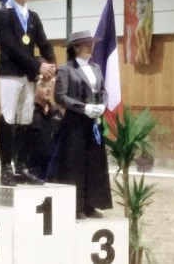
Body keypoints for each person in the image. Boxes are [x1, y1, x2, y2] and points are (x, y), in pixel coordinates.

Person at [0, 0, 57, 186]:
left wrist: (52, 64)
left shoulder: (33, 17)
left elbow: (44, 43)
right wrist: (38, 65)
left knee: (26, 120)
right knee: (8, 117)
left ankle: (21, 166)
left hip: (29, 76)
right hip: (10, 73)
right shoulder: (2, 15)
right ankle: (5, 168)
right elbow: (10, 47)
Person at [51, 30, 112, 219]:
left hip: (94, 121)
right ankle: (75, 205)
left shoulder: (96, 68)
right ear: (76, 47)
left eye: (91, 43)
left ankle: (91, 203)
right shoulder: (66, 69)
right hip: (75, 122)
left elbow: (103, 91)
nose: (90, 47)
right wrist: (83, 107)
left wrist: (103, 105)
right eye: (86, 44)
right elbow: (60, 96)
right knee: (74, 163)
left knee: (93, 161)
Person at [24, 77, 62, 181]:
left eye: (50, 86)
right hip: (33, 168)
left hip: (52, 169)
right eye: (43, 86)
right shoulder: (28, 112)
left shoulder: (56, 112)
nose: (49, 89)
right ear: (33, 88)